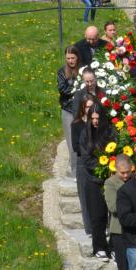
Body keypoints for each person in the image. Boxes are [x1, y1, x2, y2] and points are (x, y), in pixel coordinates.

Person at [79, 103, 115, 262]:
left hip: (110, 178)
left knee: (113, 214)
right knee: (97, 215)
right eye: (92, 118)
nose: (94, 121)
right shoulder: (85, 134)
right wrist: (102, 167)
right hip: (94, 179)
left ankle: (113, 246)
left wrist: (111, 167)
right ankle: (99, 246)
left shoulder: (110, 132)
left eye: (97, 118)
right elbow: (86, 158)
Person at [104, 155, 135, 270]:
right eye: (122, 173)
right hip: (119, 230)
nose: (125, 175)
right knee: (124, 268)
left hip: (135, 228)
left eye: (128, 172)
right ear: (116, 170)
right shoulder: (110, 183)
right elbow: (113, 206)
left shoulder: (135, 180)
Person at [71, 95, 96, 235]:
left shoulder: (97, 122)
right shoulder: (76, 124)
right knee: (85, 197)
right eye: (87, 106)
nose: (90, 109)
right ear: (82, 108)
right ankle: (90, 228)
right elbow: (75, 146)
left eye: (92, 106)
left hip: (97, 161)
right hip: (83, 162)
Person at [58, 46, 82, 176]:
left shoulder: (83, 70)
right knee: (71, 141)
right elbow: (62, 89)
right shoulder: (62, 71)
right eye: (68, 58)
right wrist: (77, 90)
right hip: (68, 109)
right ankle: (74, 172)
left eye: (73, 58)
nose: (70, 61)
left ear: (77, 57)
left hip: (83, 109)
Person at [72, 67, 105, 141]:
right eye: (87, 81)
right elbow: (76, 114)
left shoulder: (102, 92)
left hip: (101, 130)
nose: (90, 84)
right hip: (86, 131)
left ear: (95, 78)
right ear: (83, 81)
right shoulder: (79, 95)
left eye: (91, 81)